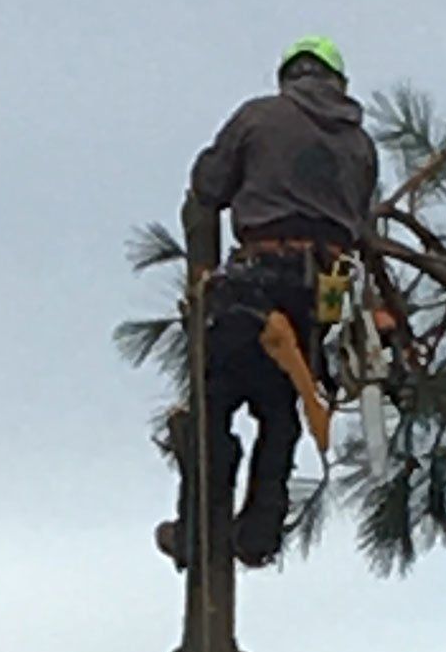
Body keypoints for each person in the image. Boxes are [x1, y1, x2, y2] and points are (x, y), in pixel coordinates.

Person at [159, 36, 378, 568]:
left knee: (214, 402)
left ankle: (196, 534)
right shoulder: (362, 146)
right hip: (318, 298)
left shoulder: (259, 118)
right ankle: (259, 532)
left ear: (288, 77)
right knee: (281, 410)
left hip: (257, 283)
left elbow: (208, 185)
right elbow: (364, 226)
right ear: (338, 83)